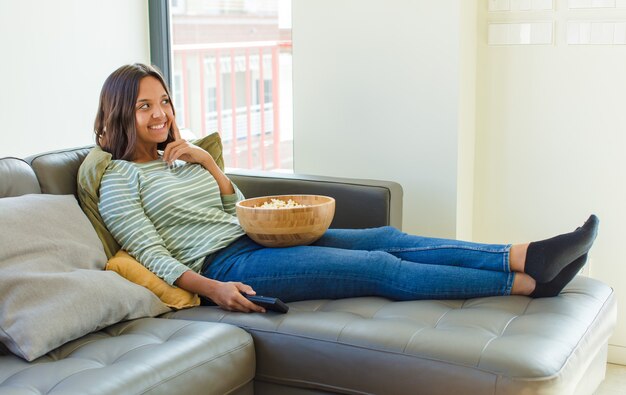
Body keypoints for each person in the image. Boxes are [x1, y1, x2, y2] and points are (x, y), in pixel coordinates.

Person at [92, 63, 599, 313]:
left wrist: (209, 163)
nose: (160, 114)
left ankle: (525, 254)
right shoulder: (119, 179)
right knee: (378, 268)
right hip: (227, 265)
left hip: (255, 240)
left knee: (387, 238)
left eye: (164, 100)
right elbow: (150, 253)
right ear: (121, 112)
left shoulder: (181, 158)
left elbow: (236, 209)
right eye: (144, 106)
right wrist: (214, 289)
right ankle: (527, 282)